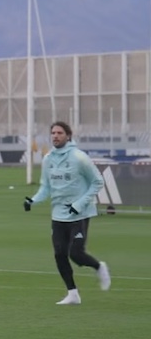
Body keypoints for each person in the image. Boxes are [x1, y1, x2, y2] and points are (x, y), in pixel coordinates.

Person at [24, 120, 111, 305]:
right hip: (58, 216)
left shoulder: (79, 157)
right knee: (59, 254)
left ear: (68, 136)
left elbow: (97, 182)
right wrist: (32, 200)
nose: (55, 136)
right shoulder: (48, 159)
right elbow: (45, 187)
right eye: (53, 133)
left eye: (59, 133)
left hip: (79, 214)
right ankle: (72, 294)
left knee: (76, 253)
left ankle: (98, 266)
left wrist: (78, 205)